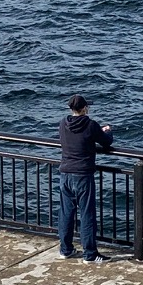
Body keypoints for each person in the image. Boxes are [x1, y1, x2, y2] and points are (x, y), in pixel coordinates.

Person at [57, 95, 114, 262]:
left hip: (65, 173)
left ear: (71, 109)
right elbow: (106, 142)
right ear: (85, 108)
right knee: (87, 214)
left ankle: (65, 249)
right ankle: (90, 254)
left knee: (66, 213)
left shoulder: (63, 123)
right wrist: (107, 131)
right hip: (83, 175)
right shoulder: (90, 125)